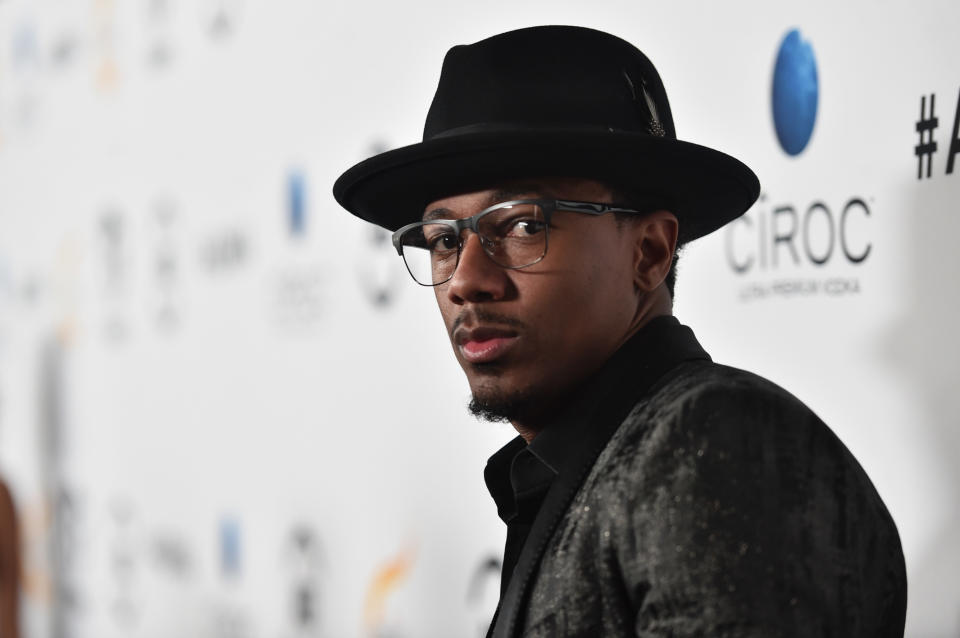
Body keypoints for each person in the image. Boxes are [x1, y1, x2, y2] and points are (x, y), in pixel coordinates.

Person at [333, 25, 906, 637]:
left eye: (523, 226)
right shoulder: (589, 467)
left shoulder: (713, 442)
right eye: (444, 240)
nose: (467, 280)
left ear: (651, 252)